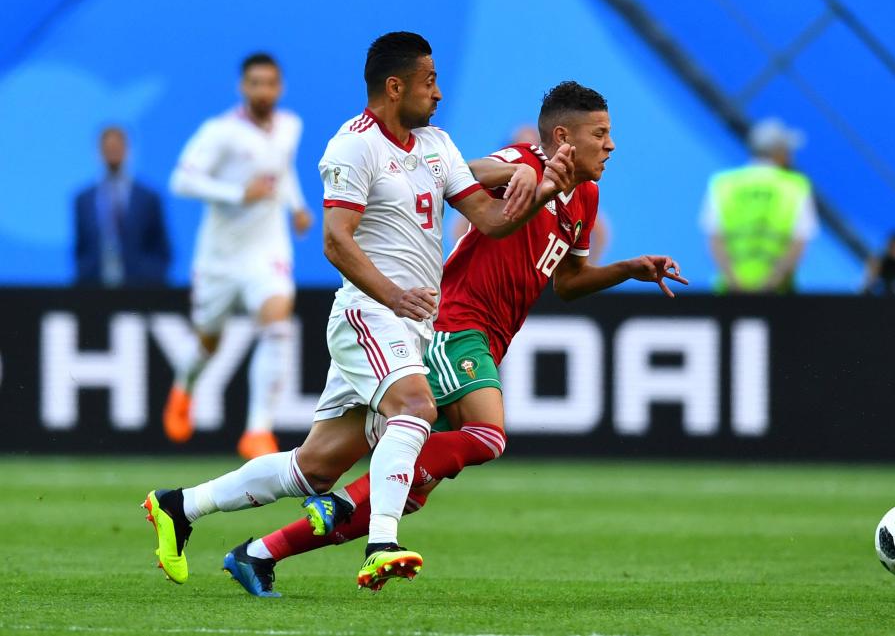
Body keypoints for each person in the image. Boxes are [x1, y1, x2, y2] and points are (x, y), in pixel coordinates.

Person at [142, 32, 575, 591]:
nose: (439, 94)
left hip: (410, 325)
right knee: (416, 407)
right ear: (395, 88)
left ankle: (180, 506)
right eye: (429, 82)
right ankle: (381, 543)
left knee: (314, 466)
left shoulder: (437, 144)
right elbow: (336, 241)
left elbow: (490, 222)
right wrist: (393, 296)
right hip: (367, 314)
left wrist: (542, 192)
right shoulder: (353, 145)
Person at [162, 53, 314, 460]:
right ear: (242, 88)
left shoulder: (289, 126)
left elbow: (283, 170)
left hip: (267, 249)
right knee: (210, 341)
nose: (263, 91)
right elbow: (181, 179)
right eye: (255, 83)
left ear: (279, 88)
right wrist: (236, 194)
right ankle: (184, 386)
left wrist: (296, 206)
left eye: (270, 83)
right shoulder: (220, 132)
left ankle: (258, 430)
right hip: (220, 257)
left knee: (278, 323)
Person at [450, 123, 610, 264]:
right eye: (519, 147)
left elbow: (600, 232)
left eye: (533, 146)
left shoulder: (563, 185)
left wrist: (584, 266)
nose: (527, 154)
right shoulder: (499, 185)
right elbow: (461, 223)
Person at [701, 117, 819, 293]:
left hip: (729, 293)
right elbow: (798, 243)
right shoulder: (796, 186)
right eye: (787, 151)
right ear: (778, 152)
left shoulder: (723, 184)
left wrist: (735, 282)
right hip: (778, 296)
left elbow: (715, 240)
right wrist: (770, 284)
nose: (790, 157)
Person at [73, 127, 170, 286]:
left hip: (141, 289)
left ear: (127, 150)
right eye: (108, 148)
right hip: (94, 289)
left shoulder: (148, 198)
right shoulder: (83, 199)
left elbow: (161, 248)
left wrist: (151, 277)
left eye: (117, 147)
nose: (113, 153)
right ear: (99, 151)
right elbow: (81, 249)